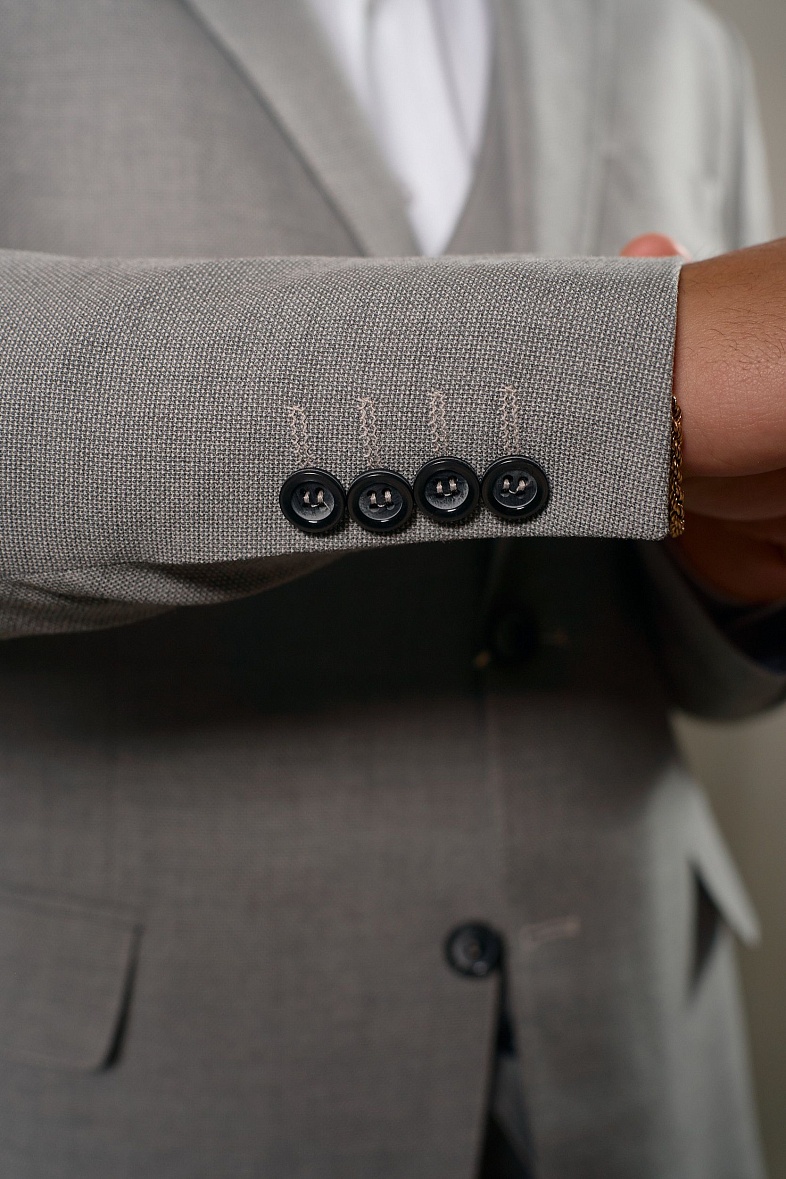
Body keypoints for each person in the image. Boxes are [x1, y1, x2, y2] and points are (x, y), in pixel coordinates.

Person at [0, 0, 784, 1175]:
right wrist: (645, 357)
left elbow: (713, 677)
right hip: (167, 1077)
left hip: (644, 1051)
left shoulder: (682, 42)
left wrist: (733, 575)